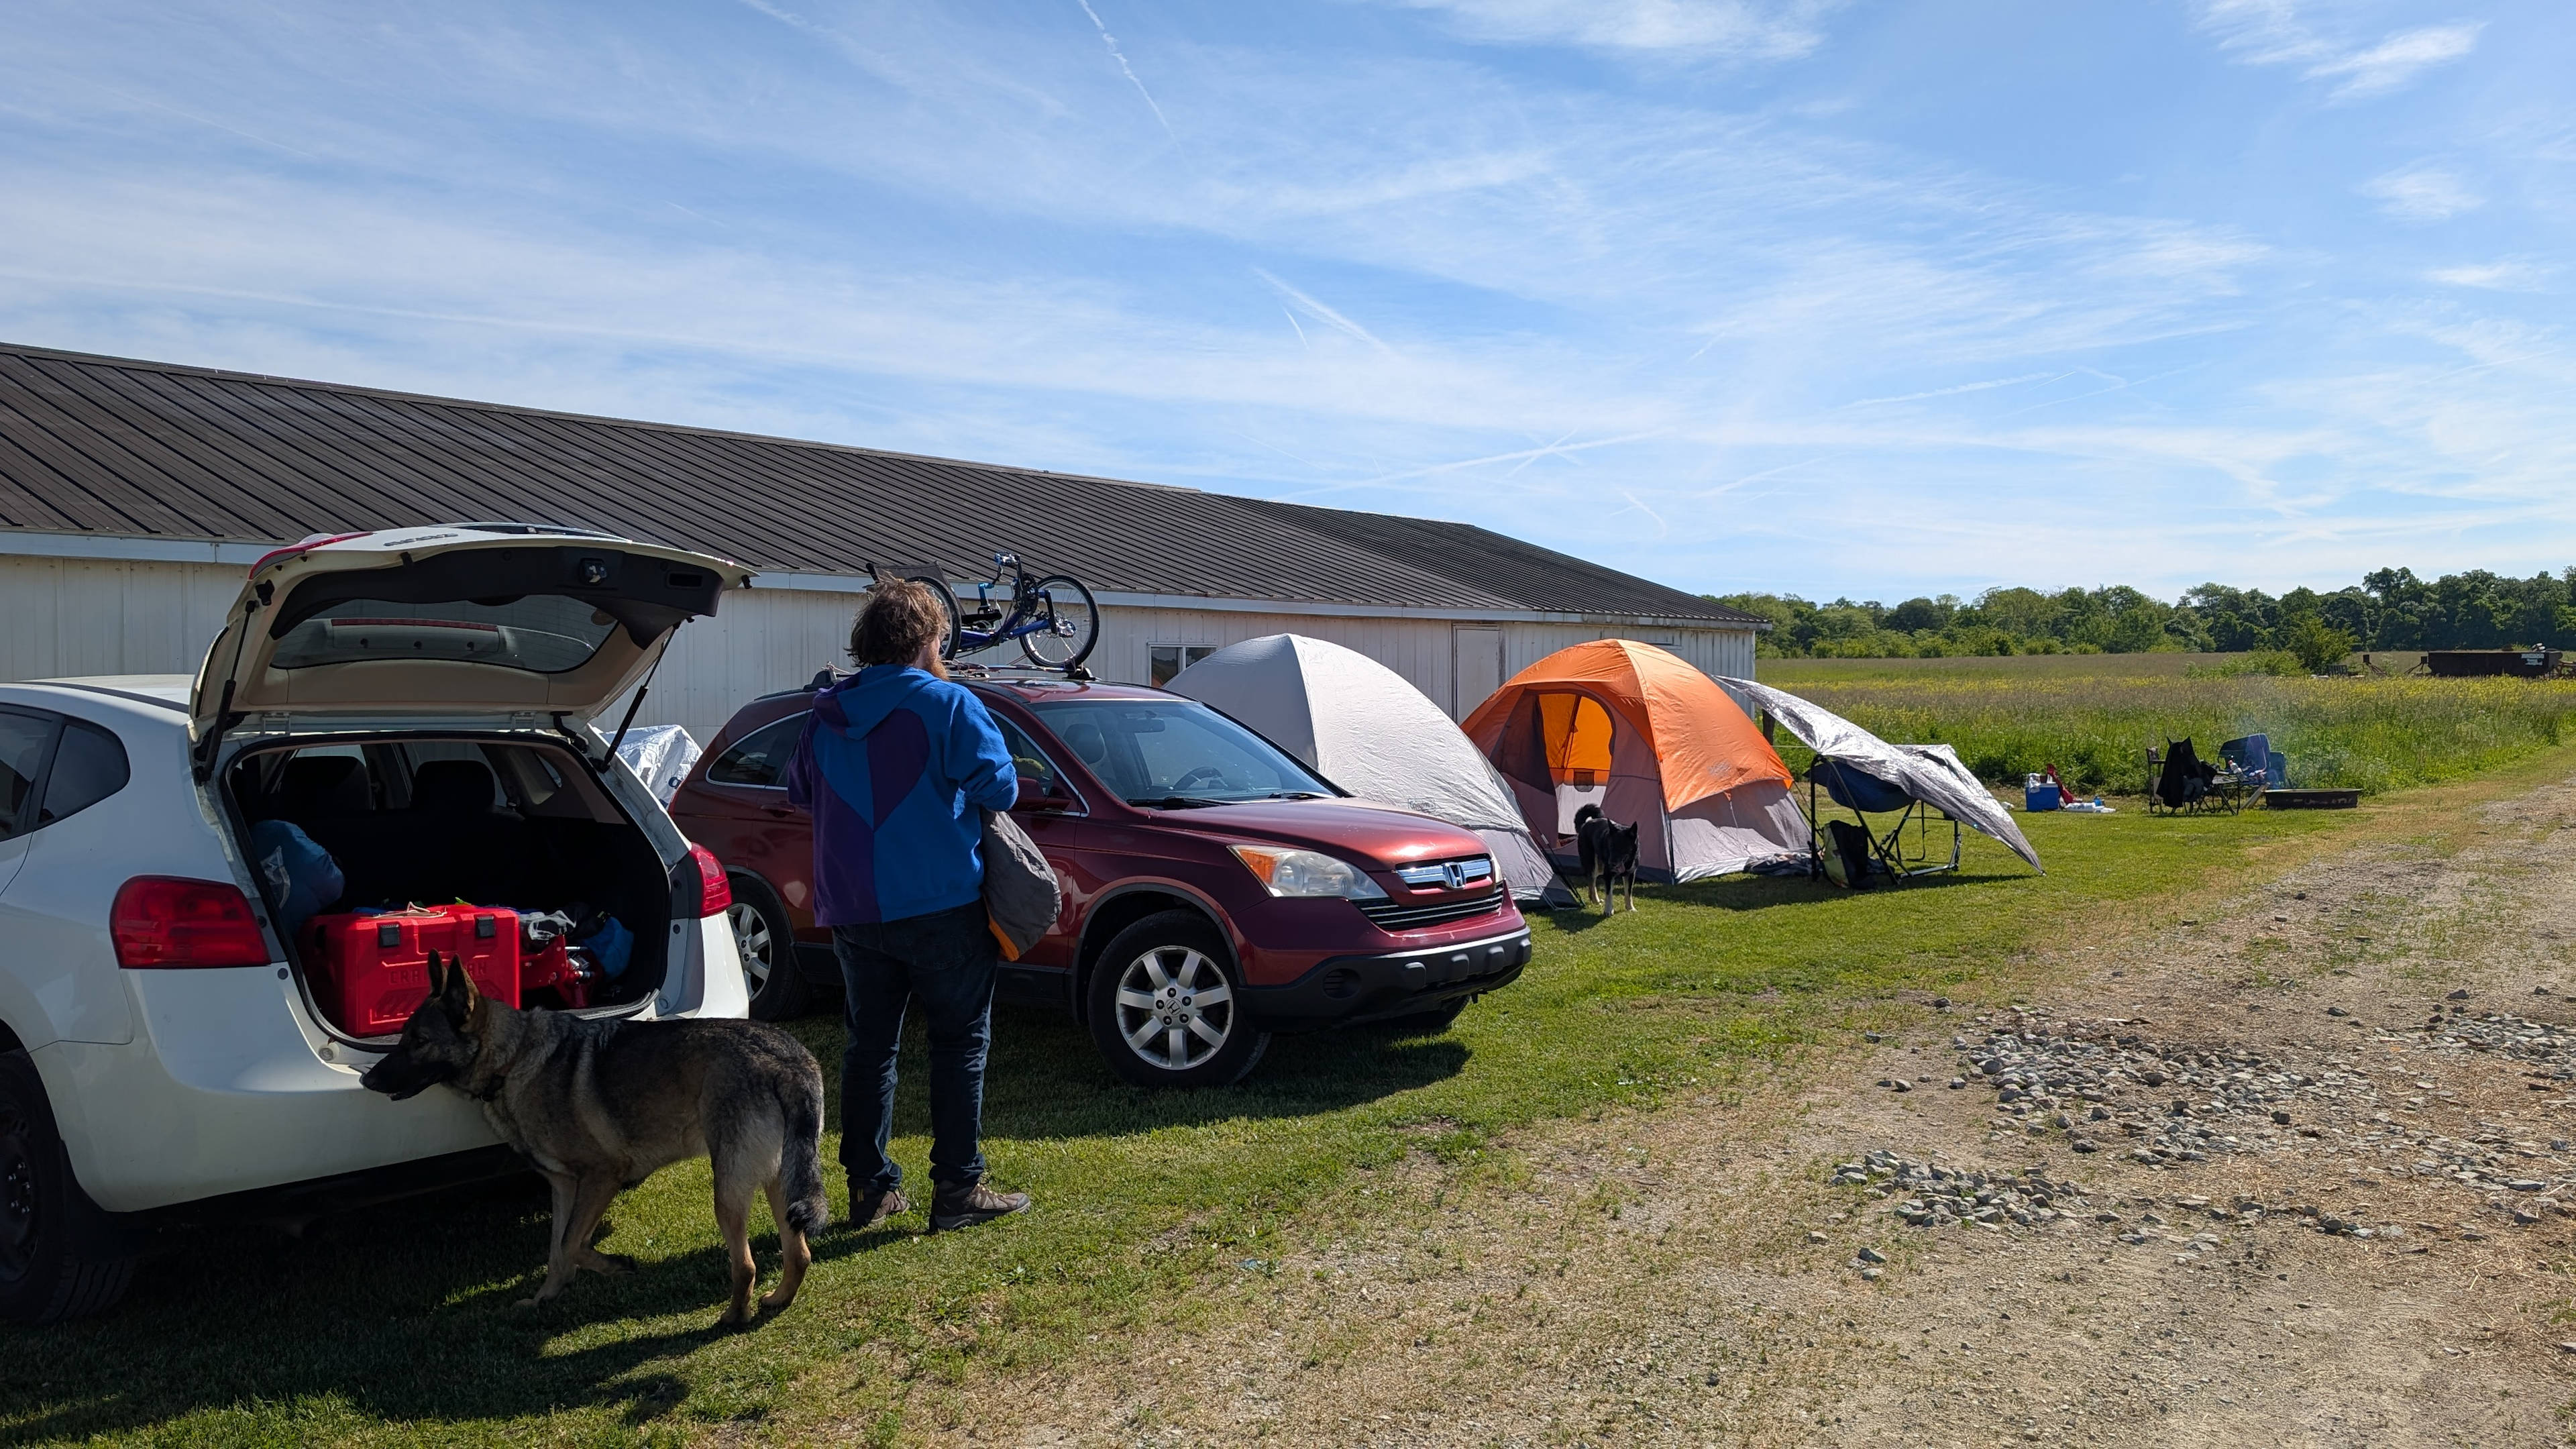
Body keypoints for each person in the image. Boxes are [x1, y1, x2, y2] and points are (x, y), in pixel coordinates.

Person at [785, 579, 1030, 1232]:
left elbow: (800, 792)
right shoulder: (949, 703)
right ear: (930, 640)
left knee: (869, 1048)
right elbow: (1000, 788)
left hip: (853, 907)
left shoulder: (824, 713)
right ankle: (957, 1189)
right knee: (959, 1045)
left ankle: (869, 1190)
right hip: (939, 901)